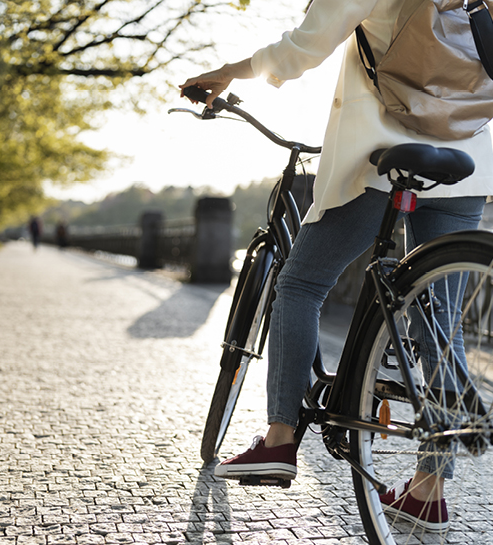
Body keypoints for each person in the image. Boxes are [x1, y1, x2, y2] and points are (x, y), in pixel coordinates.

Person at [180, 0, 493, 532]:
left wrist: (229, 73)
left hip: (381, 153)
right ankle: (428, 489)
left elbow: (303, 47)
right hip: (470, 156)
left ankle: (279, 440)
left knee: (300, 283)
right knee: (437, 318)